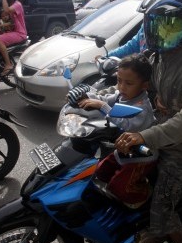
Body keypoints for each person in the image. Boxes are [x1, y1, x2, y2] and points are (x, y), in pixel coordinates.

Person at [113, 0, 182, 243]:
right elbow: (130, 77)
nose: (160, 31)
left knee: (162, 209)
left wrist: (145, 136)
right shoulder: (157, 58)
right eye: (155, 24)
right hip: (155, 131)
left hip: (181, 147)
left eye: (170, 25)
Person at [67, 53, 156, 209]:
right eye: (119, 81)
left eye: (128, 83)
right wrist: (85, 96)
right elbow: (107, 98)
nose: (121, 87)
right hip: (123, 148)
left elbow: (126, 124)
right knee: (100, 171)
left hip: (141, 156)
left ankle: (146, 193)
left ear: (144, 85)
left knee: (119, 187)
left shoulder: (142, 106)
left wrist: (102, 106)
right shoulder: (124, 95)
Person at [0, 0, 27, 76]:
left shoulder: (17, 4)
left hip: (20, 33)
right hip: (15, 32)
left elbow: (6, 10)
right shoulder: (14, 4)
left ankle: (8, 64)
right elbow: (11, 21)